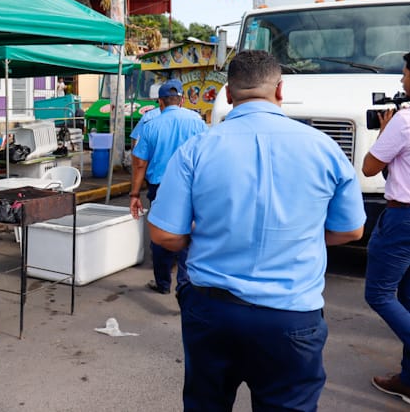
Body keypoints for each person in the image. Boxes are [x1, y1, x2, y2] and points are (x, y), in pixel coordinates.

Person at [148, 50, 365, 410]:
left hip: (213, 311)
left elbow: (163, 235)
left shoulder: (197, 149)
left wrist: (209, 236)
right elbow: (352, 231)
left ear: (229, 94)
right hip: (292, 316)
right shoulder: (324, 148)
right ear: (280, 90)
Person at [363, 52, 410, 403]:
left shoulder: (403, 121)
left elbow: (368, 166)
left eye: (405, 73)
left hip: (402, 218)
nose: (401, 81)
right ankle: (408, 380)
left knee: (378, 294)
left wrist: (384, 131)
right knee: (408, 296)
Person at [129, 79, 206, 295]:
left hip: (160, 187)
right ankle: (185, 286)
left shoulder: (151, 125)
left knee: (161, 234)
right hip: (192, 185)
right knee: (188, 234)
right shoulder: (198, 123)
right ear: (181, 101)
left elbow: (140, 163)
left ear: (160, 103)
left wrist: (134, 194)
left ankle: (163, 284)